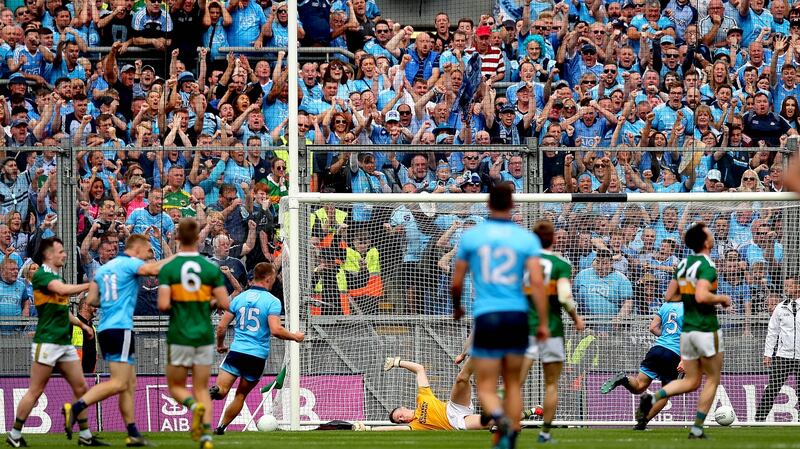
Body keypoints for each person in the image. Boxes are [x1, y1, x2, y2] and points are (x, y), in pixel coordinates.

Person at [451, 182, 548, 449]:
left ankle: (499, 417)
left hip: (488, 316)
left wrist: (457, 307)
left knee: (485, 385)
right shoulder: (526, 239)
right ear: (512, 205)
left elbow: (457, 281)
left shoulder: (473, 236)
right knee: (513, 382)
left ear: (488, 204)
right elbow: (537, 284)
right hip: (517, 316)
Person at [63, 234, 172, 447]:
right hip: (120, 328)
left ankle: (132, 433)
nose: (148, 254)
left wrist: (113, 298)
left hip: (105, 328)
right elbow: (154, 270)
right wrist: (181, 256)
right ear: (137, 248)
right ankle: (76, 407)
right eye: (147, 249)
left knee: (129, 383)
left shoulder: (102, 270)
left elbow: (93, 299)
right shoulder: (129, 263)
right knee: (120, 382)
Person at [637, 223, 731, 439]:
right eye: (708, 233)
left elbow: (669, 296)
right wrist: (721, 298)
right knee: (712, 379)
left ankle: (652, 399)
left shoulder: (683, 264)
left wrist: (688, 297)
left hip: (687, 331)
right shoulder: (707, 265)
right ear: (706, 242)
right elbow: (702, 296)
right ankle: (697, 428)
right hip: (705, 327)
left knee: (691, 381)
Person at [6, 237, 103, 448]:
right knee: (36, 390)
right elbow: (62, 290)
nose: (64, 254)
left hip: (64, 343)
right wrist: (90, 283)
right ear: (49, 254)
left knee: (81, 386)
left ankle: (85, 435)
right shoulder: (42, 275)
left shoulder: (55, 276)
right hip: (47, 342)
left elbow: (62, 309)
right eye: (60, 251)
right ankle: (14, 433)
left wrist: (82, 325)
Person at [158, 218, 229, 449]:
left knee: (177, 387)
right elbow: (224, 301)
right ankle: (207, 436)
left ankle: (193, 406)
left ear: (177, 238)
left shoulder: (169, 267)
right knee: (201, 388)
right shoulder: (210, 268)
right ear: (199, 238)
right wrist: (203, 302)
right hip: (203, 334)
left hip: (179, 333)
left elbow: (163, 304)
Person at [209, 262, 304, 435]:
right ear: (269, 278)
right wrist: (295, 337)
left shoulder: (240, 298)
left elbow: (221, 327)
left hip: (237, 352)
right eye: (274, 277)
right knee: (240, 395)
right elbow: (276, 330)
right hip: (256, 357)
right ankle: (221, 427)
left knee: (222, 391)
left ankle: (215, 391)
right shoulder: (272, 302)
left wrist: (220, 345)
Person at [522, 220, 585, 443]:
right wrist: (577, 318)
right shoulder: (560, 264)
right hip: (552, 330)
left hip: (525, 328)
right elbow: (565, 297)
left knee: (515, 381)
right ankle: (545, 433)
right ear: (554, 239)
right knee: (551, 384)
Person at [600, 298, 684, 430]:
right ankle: (642, 423)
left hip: (657, 349)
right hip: (674, 354)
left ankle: (624, 379)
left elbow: (653, 328)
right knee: (666, 393)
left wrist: (666, 336)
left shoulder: (666, 305)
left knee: (639, 386)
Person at [755, 274, 800, 421]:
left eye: (789, 286)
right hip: (783, 356)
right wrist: (768, 354)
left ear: (798, 287)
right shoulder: (780, 308)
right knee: (772, 388)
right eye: (785, 286)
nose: (786, 288)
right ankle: (758, 419)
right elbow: (772, 332)